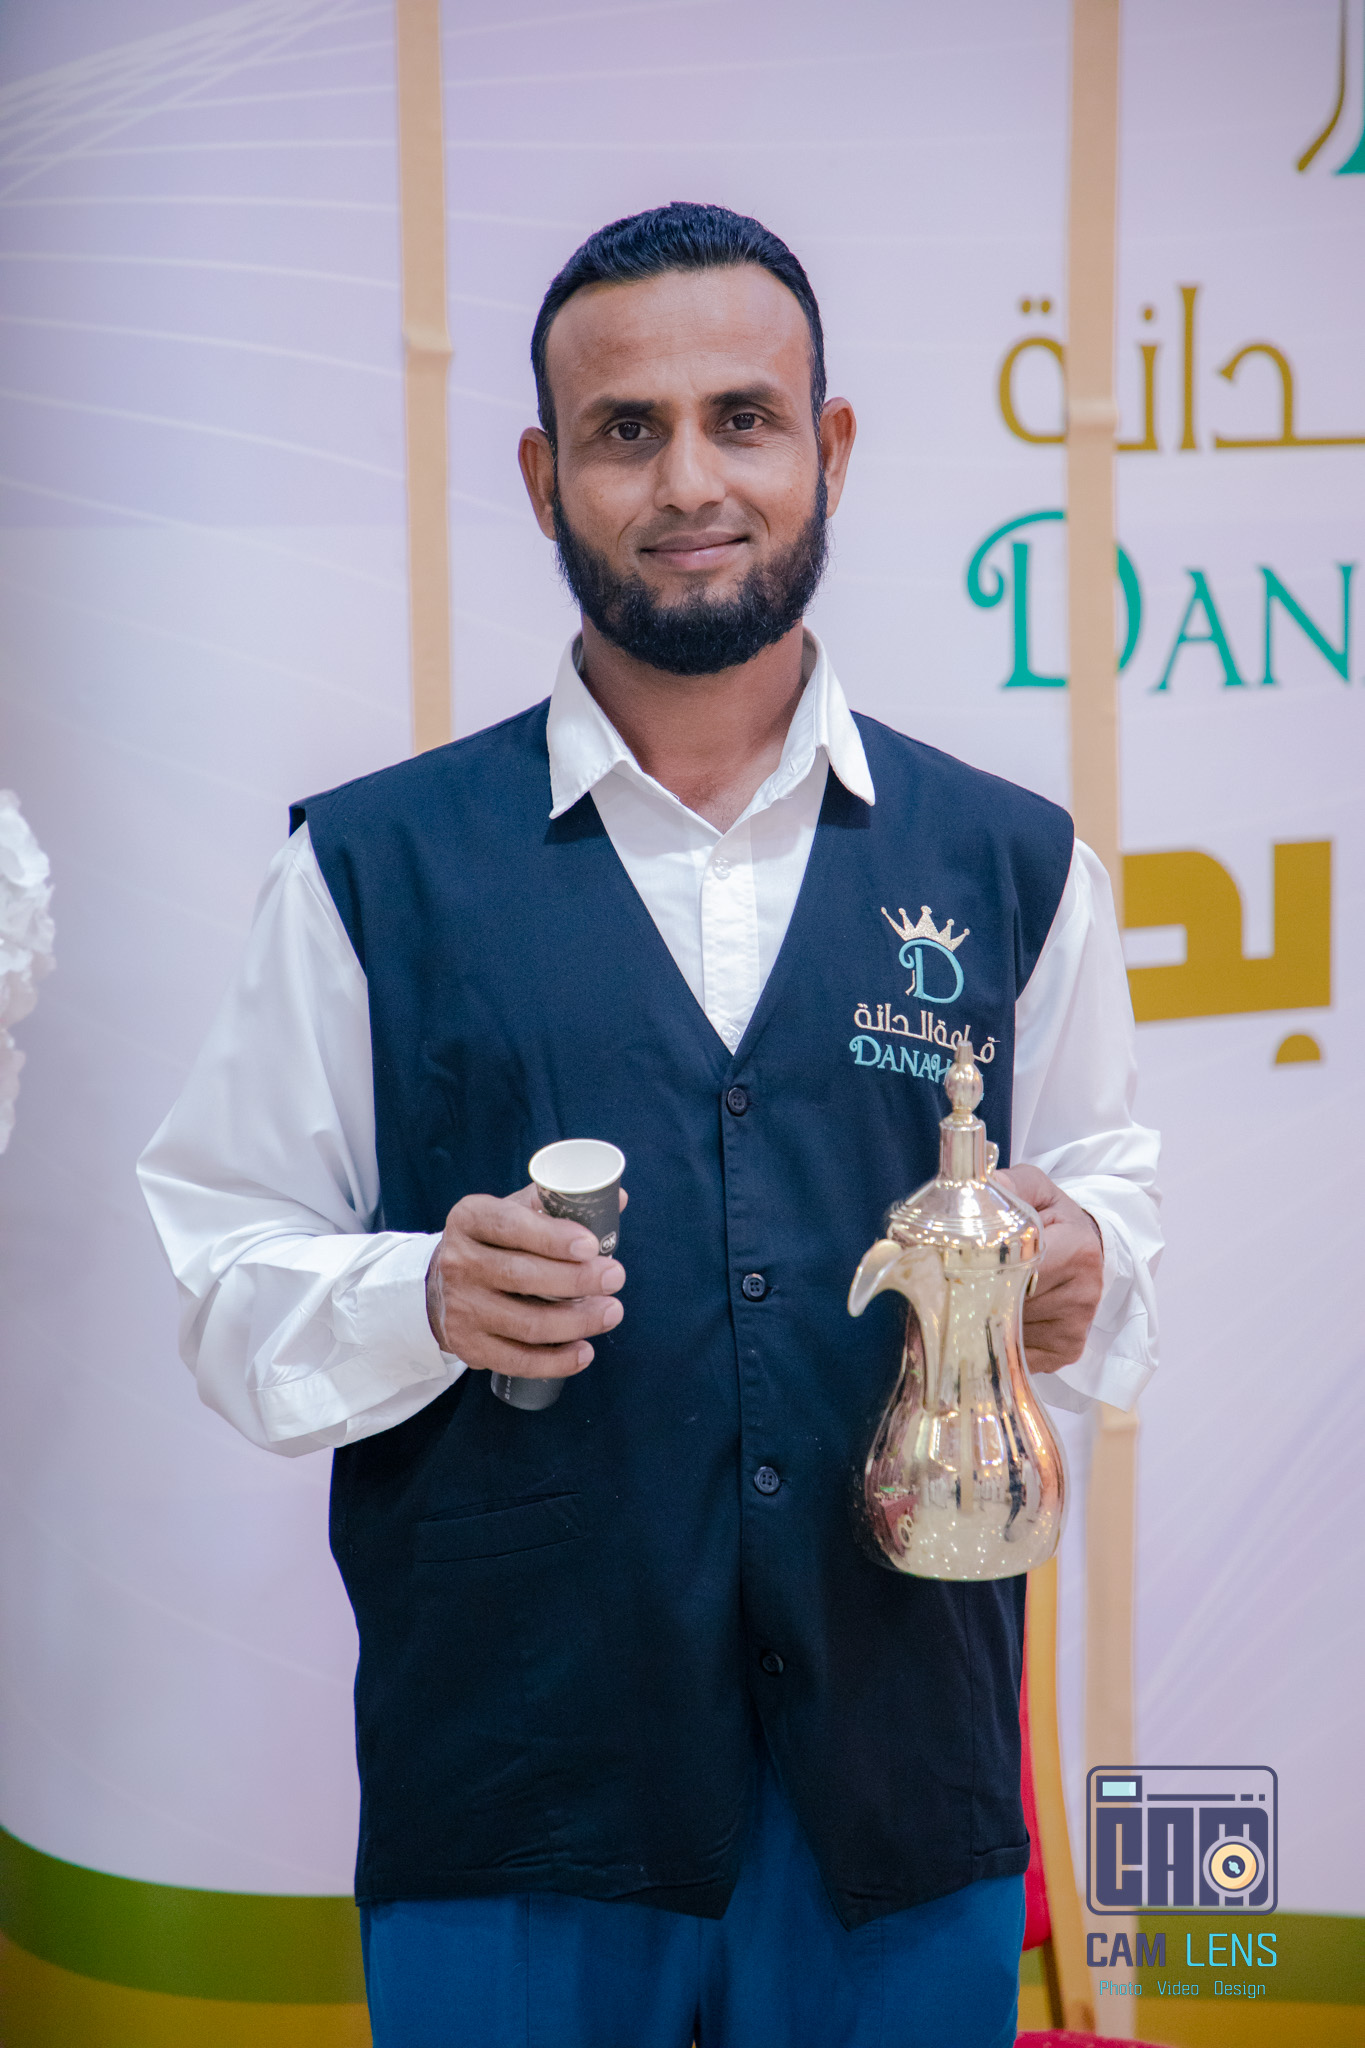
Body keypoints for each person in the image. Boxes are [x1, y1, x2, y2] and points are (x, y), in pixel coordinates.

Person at [140, 203, 1160, 2048]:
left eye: (740, 419)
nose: (689, 481)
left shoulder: (1014, 865)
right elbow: (226, 1272)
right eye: (626, 431)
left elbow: (1110, 1196)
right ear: (545, 479)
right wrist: (416, 1298)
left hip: (898, 1801)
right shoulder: (366, 871)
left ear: (827, 448)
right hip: (514, 1801)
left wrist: (1085, 1259)